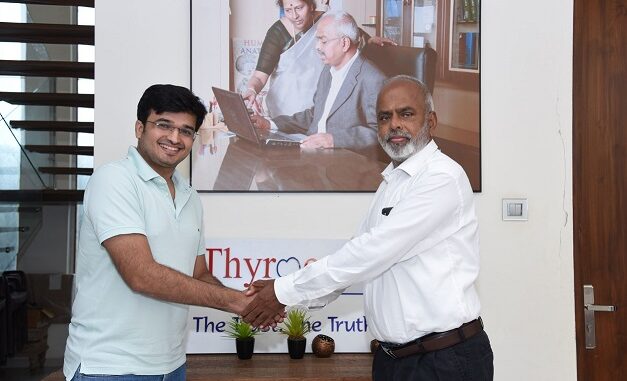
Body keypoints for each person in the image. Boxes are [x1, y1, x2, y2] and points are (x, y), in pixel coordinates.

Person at [243, 75, 494, 380]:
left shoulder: (442, 178)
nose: (394, 125)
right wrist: (292, 296)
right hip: (394, 360)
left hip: (444, 362)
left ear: (432, 121)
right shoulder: (392, 182)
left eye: (406, 114)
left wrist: (282, 291)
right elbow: (359, 251)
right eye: (384, 117)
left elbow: (371, 253)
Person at [63, 85, 257, 381]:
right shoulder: (114, 180)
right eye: (164, 125)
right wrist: (237, 303)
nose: (175, 138)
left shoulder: (189, 196)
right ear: (140, 127)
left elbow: (198, 274)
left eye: (186, 131)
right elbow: (141, 275)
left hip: (171, 365)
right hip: (109, 367)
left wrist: (248, 301)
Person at [250, 11, 386, 153]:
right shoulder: (328, 71)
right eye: (317, 40)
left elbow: (381, 132)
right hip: (314, 156)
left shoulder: (373, 79)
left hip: (345, 164)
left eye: (324, 41)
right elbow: (315, 116)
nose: (317, 47)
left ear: (345, 43)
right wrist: (270, 124)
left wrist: (334, 140)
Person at [242, 0, 393, 118]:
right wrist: (251, 89)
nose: (294, 16)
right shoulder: (277, 32)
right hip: (283, 111)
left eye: (299, 8)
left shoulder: (326, 21)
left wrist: (371, 40)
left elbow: (351, 34)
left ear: (311, 5)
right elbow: (259, 77)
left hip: (316, 110)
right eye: (288, 10)